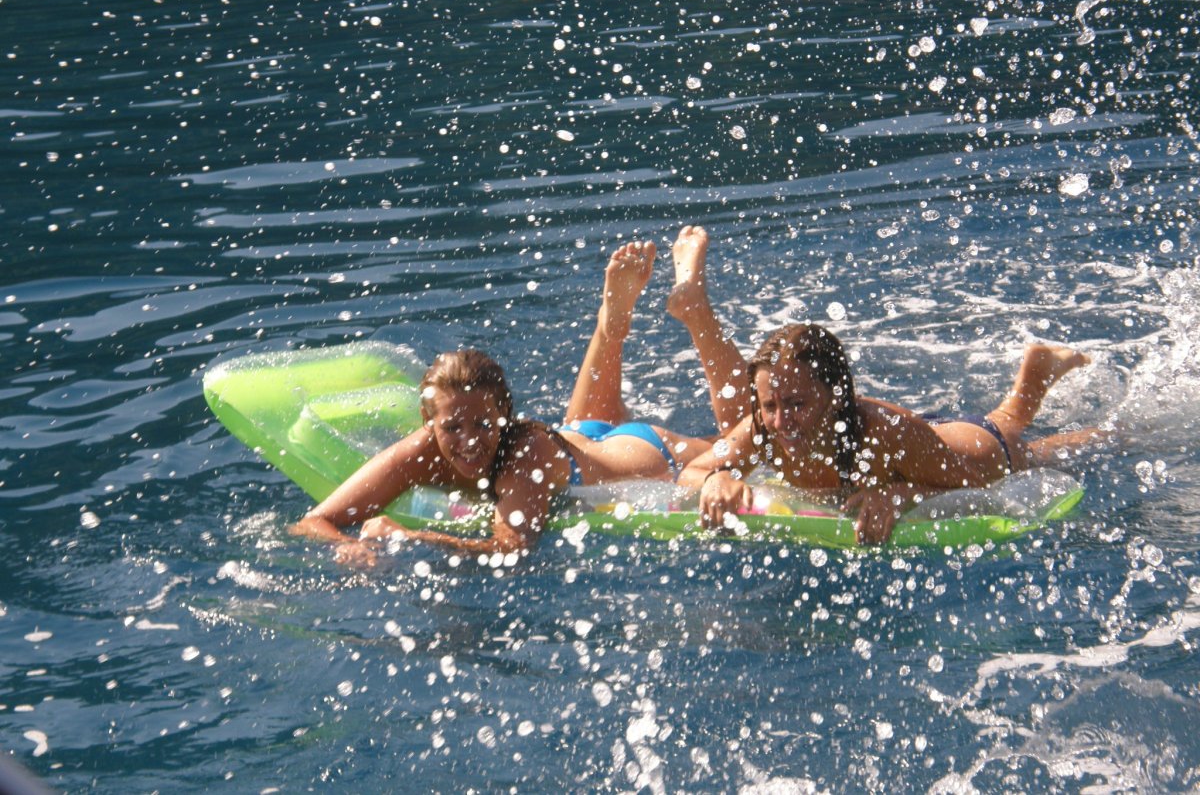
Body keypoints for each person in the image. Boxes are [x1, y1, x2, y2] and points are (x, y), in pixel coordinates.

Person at [665, 227, 1100, 545]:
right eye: (770, 405)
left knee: (1035, 442)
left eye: (797, 403)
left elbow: (978, 491)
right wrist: (715, 479)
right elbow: (692, 472)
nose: (783, 421)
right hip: (922, 441)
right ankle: (1035, 374)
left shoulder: (883, 430)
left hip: (976, 449)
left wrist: (900, 495)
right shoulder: (764, 426)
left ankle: (1056, 393)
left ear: (836, 396)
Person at [289, 241, 714, 563]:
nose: (469, 441)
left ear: (504, 417)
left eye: (483, 426)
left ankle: (693, 308)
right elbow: (313, 521)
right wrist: (347, 548)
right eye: (452, 428)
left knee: (747, 440)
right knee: (581, 425)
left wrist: (410, 538)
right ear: (429, 422)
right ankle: (610, 326)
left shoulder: (523, 457)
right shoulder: (420, 452)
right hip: (573, 441)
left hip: (641, 454)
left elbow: (511, 550)